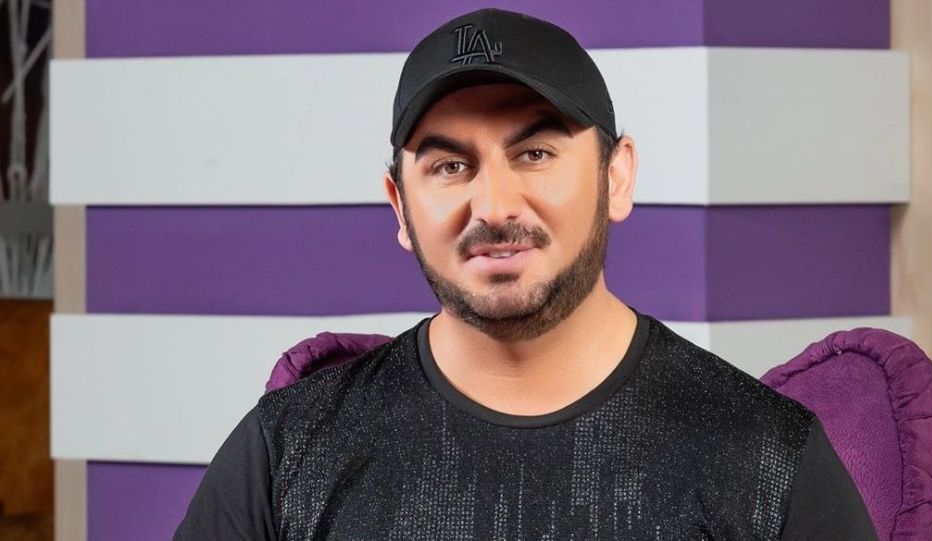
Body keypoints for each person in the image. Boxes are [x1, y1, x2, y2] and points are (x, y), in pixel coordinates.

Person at [175, 8, 877, 540]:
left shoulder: (766, 457)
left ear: (616, 175)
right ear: (400, 206)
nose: (495, 205)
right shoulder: (288, 449)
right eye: (450, 165)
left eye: (535, 154)